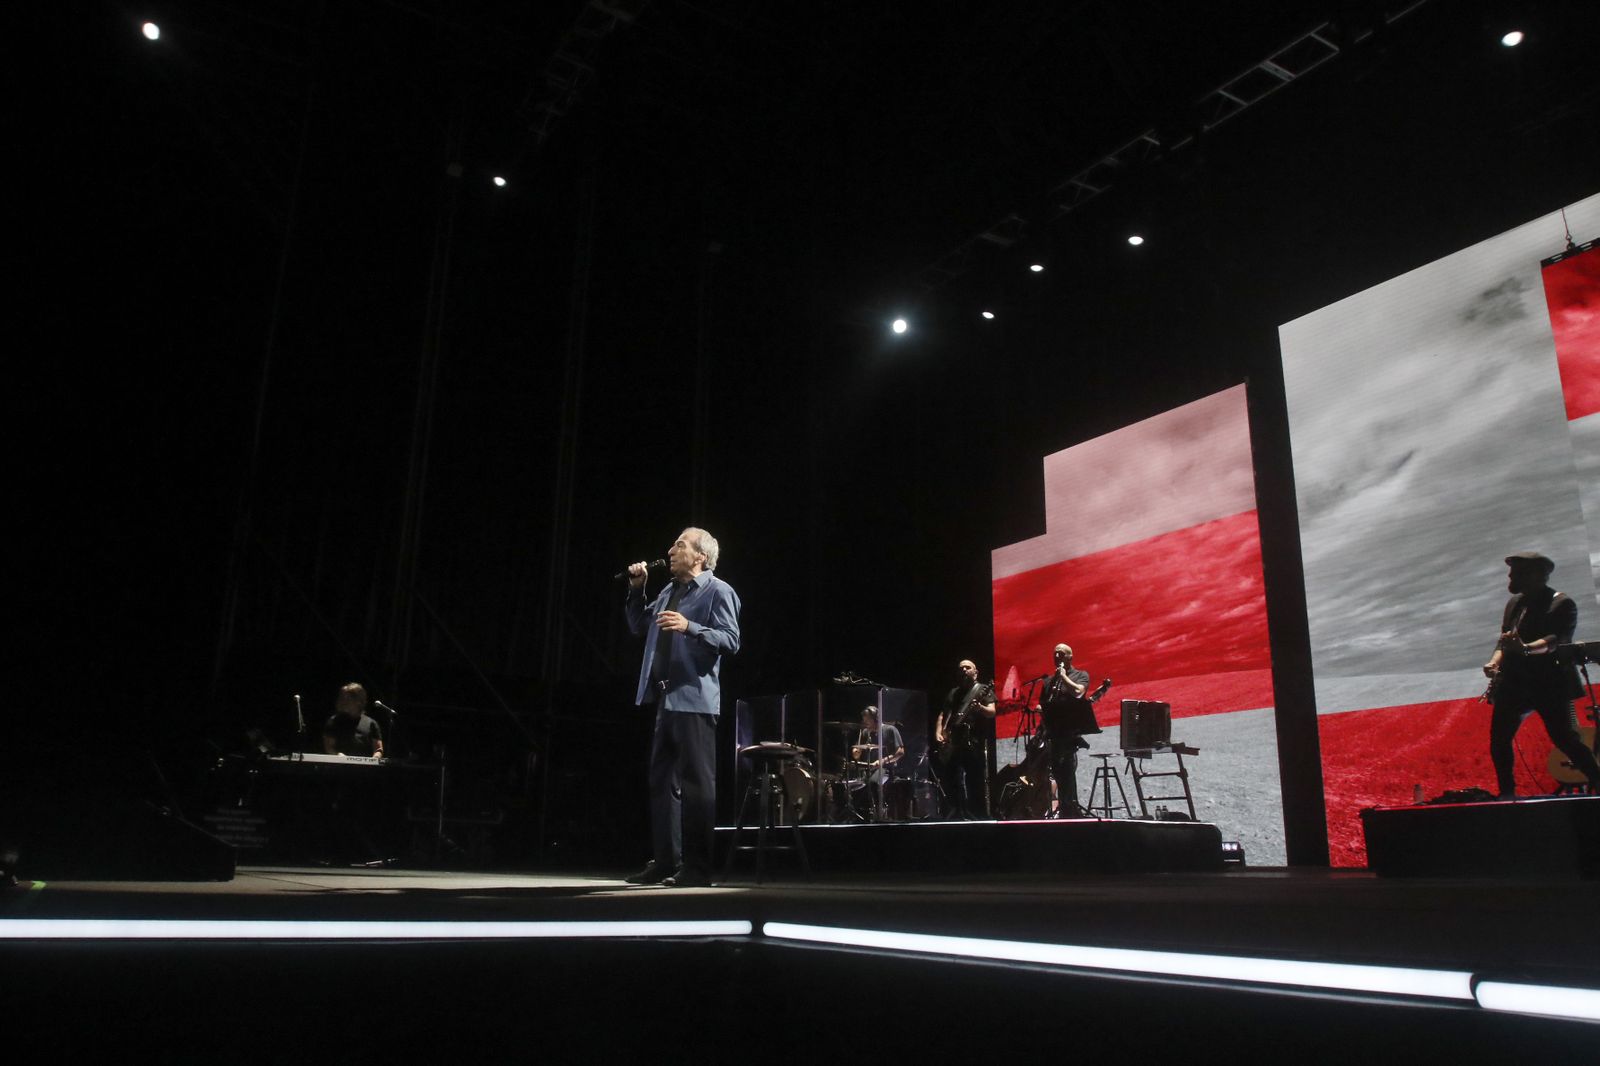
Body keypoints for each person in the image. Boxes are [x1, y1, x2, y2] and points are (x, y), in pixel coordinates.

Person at [622, 527, 742, 887]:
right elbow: (638, 625)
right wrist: (637, 590)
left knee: (696, 787)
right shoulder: (668, 590)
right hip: (665, 699)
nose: (671, 550)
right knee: (661, 783)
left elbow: (731, 640)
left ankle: (699, 868)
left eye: (679, 545)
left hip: (695, 700)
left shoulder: (719, 591)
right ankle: (665, 862)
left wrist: (690, 626)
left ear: (700, 556)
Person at [1482, 551, 1600, 797]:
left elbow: (1555, 640)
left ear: (1537, 575)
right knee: (1499, 740)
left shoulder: (1561, 603)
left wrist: (1525, 649)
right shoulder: (1515, 603)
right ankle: (1506, 793)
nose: (1510, 577)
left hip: (1549, 684)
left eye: (1516, 573)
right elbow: (1505, 640)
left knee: (1565, 740)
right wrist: (1494, 662)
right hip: (1516, 684)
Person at [933, 659, 996, 819]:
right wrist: (939, 732)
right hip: (953, 742)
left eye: (968, 668)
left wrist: (980, 708)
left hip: (973, 743)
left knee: (974, 780)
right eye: (961, 668)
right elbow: (943, 713)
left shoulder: (982, 689)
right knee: (952, 779)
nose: (964, 670)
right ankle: (957, 812)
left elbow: (992, 712)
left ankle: (977, 815)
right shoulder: (954, 692)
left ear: (976, 672)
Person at [1039, 643, 1090, 817]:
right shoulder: (1048, 682)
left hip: (1069, 734)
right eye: (1055, 654)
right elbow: (1044, 706)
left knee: (1068, 771)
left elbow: (1078, 692)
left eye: (1061, 654)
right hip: (1053, 734)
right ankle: (1064, 807)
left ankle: (1071, 809)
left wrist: (1064, 677)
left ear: (1070, 657)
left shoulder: (1080, 675)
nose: (1057, 657)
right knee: (1057, 773)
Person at [322, 682, 384, 758]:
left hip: (364, 769)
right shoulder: (334, 721)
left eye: (348, 699)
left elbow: (378, 749)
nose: (343, 702)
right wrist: (337, 755)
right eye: (343, 699)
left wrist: (375, 757)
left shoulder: (371, 724)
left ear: (358, 701)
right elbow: (329, 747)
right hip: (338, 768)